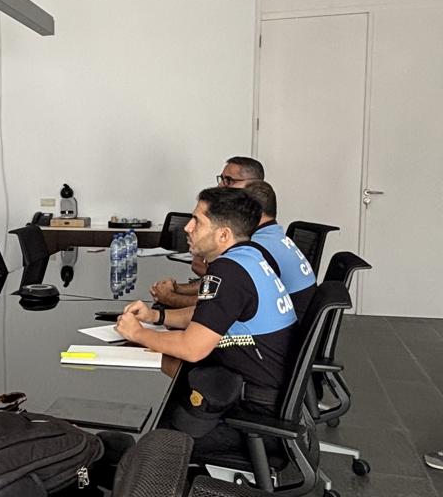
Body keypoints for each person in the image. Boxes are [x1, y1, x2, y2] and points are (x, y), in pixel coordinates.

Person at [116, 187, 296, 456]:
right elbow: (211, 314)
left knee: (149, 442)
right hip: (261, 392)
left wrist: (138, 333)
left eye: (197, 221)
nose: (187, 227)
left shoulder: (228, 272)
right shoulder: (251, 256)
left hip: (250, 414)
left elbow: (193, 347)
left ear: (223, 234)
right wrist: (157, 316)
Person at [150, 156, 267, 308]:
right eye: (222, 179)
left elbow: (212, 301)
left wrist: (169, 298)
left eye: (229, 180)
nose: (221, 185)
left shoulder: (247, 250)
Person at [243, 180, 317, 318]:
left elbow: (235, 296)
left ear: (253, 212)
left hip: (287, 327)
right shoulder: (277, 238)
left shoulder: (256, 247)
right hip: (299, 319)